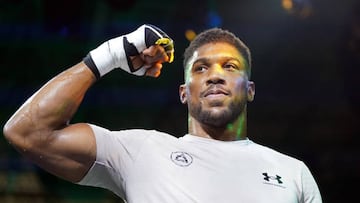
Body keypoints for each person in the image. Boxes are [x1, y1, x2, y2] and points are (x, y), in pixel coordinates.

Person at [3, 24, 322, 203]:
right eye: (200, 68)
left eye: (229, 66)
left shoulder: (293, 172)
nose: (214, 75)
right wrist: (112, 54)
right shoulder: (140, 151)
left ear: (250, 89)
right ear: (184, 93)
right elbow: (27, 133)